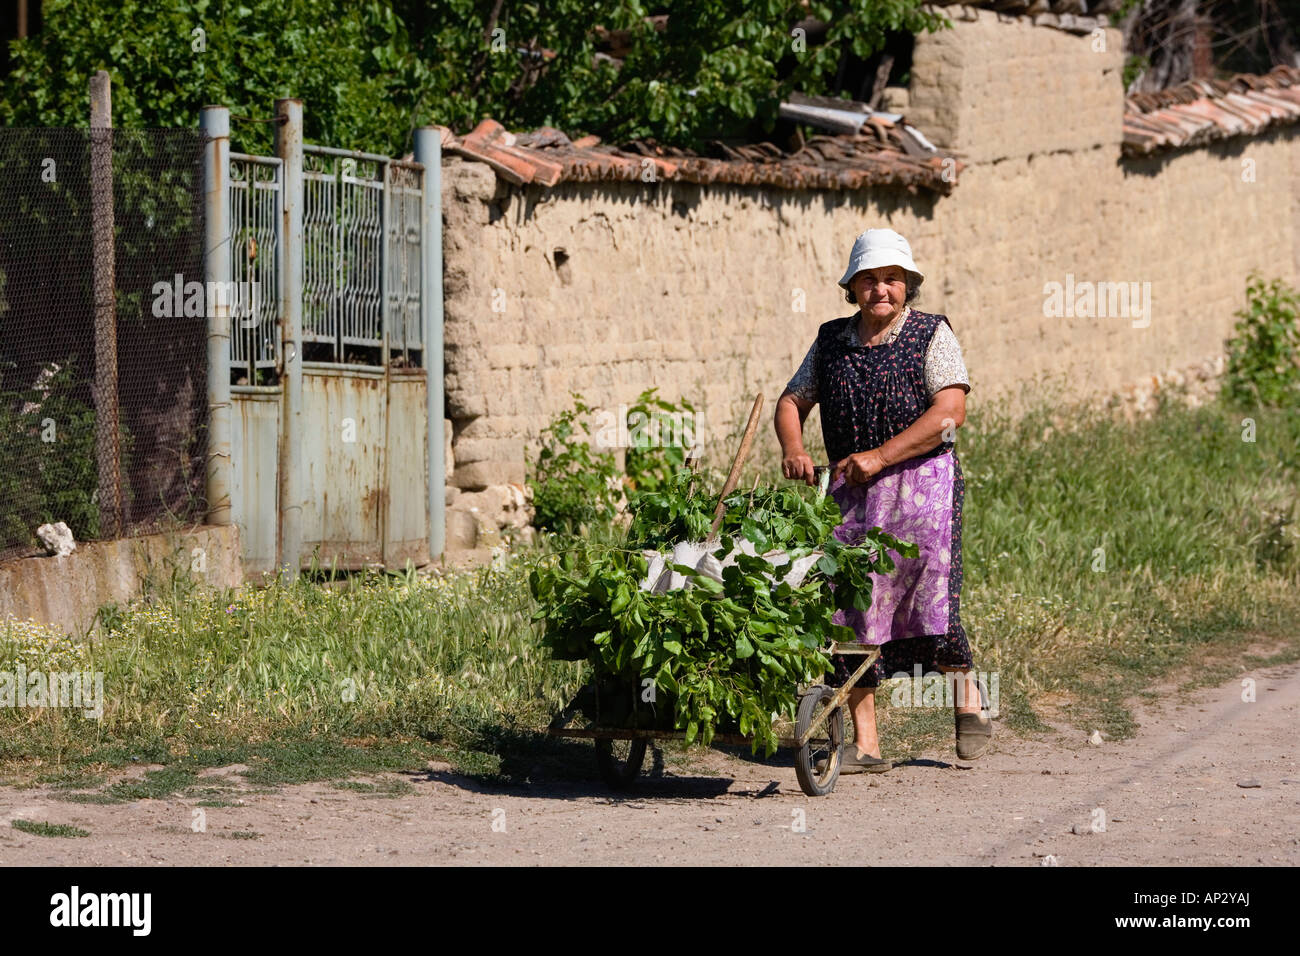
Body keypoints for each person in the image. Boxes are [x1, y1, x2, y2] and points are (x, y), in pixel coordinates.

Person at [774, 227, 993, 773]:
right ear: (853, 288)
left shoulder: (930, 334)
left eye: (892, 280)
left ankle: (968, 696)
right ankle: (866, 745)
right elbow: (792, 400)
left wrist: (882, 455)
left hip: (924, 488)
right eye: (869, 281)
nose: (881, 291)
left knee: (928, 601)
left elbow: (949, 414)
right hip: (850, 491)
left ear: (907, 285)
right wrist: (794, 447)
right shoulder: (831, 340)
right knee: (849, 608)